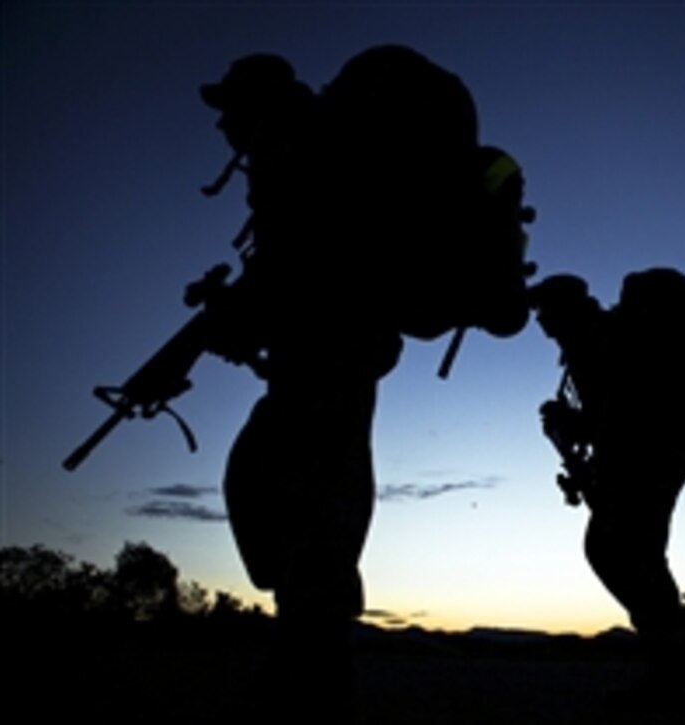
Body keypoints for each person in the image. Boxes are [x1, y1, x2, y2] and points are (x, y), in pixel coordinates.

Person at [198, 47, 532, 719]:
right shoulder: (306, 144)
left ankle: (319, 673)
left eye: (228, 108)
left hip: (334, 345)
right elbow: (306, 259)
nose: (221, 126)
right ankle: (304, 649)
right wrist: (243, 314)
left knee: (314, 502)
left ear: (256, 100)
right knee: (271, 483)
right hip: (326, 345)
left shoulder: (297, 145)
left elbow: (312, 260)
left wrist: (241, 312)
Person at [531, 273, 685, 705]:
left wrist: (575, 425)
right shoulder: (587, 341)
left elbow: (632, 413)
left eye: (544, 310)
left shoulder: (599, 340)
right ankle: (668, 670)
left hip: (648, 459)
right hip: (644, 460)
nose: (539, 320)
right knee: (635, 556)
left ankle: (669, 672)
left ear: (566, 307)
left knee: (622, 554)